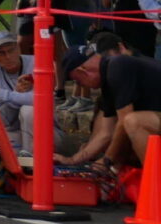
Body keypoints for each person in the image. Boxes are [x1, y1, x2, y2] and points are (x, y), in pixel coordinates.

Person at [62, 33, 161, 172]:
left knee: (133, 121)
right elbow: (106, 132)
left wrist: (108, 160)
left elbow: (123, 122)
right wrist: (73, 160)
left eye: (78, 82)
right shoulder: (107, 76)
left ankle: (155, 184)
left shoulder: (117, 65)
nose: (83, 86)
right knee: (124, 143)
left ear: (83, 71)